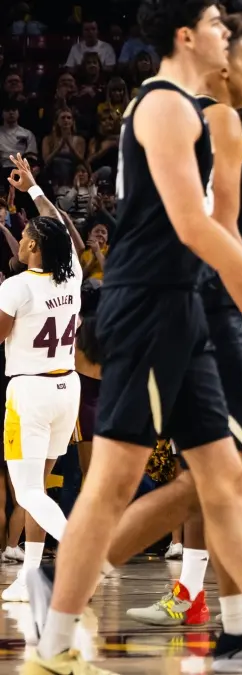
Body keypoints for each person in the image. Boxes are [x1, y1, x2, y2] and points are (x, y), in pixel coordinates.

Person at [24, 2, 242, 673]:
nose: (230, 36)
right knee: (111, 484)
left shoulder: (196, 113)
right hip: (151, 303)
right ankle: (53, 641)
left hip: (179, 305)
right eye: (217, 25)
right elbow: (193, 226)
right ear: (186, 35)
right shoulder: (164, 106)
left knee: (222, 476)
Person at [117, 18, 242, 651]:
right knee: (220, 472)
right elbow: (212, 233)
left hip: (200, 298)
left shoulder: (196, 118)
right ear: (217, 61)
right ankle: (74, 572)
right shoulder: (209, 120)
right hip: (208, 303)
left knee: (226, 471)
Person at [0, 166, 81, 603]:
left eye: (28, 232)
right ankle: (30, 575)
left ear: (30, 245)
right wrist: (32, 187)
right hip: (65, 389)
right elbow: (61, 226)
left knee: (27, 491)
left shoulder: (15, 287)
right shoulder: (73, 278)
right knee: (40, 487)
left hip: (30, 391)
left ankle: (82, 553)